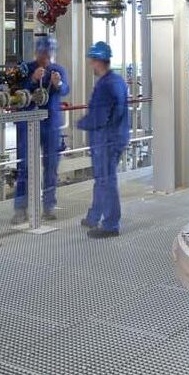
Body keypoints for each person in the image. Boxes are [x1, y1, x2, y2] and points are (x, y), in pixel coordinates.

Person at [12, 34, 69, 223]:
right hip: (27, 124)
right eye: (42, 52)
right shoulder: (26, 69)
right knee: (24, 166)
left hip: (50, 125)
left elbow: (65, 89)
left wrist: (58, 83)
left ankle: (49, 207)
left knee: (51, 167)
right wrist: (32, 80)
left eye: (48, 53)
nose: (45, 56)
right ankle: (21, 209)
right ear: (36, 52)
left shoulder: (57, 70)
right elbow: (17, 92)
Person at [77, 41, 130, 238]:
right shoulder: (117, 81)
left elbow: (100, 117)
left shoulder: (105, 86)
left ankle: (110, 225)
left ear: (99, 61)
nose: (91, 64)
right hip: (116, 136)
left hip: (106, 139)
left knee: (106, 181)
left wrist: (81, 123)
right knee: (101, 180)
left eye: (92, 60)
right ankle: (94, 216)